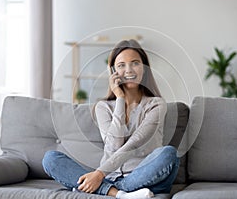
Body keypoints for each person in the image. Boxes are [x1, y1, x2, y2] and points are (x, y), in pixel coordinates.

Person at [42, 39, 180, 198]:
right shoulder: (103, 107)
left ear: (145, 69)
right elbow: (114, 145)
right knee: (51, 159)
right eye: (121, 65)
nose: (129, 70)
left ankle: (101, 190)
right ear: (113, 72)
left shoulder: (156, 104)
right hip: (112, 176)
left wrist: (98, 175)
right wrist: (120, 99)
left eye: (135, 63)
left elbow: (135, 143)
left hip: (144, 177)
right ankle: (120, 194)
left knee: (169, 154)